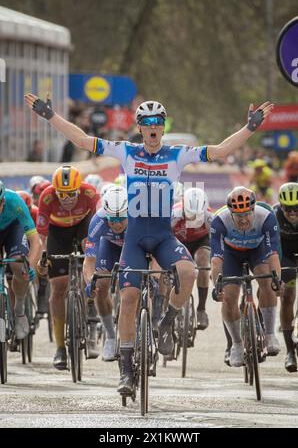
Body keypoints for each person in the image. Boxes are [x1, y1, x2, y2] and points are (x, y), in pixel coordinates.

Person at [25, 93, 273, 394]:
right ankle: (127, 371)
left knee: (189, 273)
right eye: (147, 122)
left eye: (158, 122)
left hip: (163, 236)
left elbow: (220, 151)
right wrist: (50, 116)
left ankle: (167, 321)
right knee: (128, 299)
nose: (153, 127)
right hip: (134, 237)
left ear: (163, 127)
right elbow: (82, 140)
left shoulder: (177, 154)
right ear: (139, 127)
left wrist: (250, 128)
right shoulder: (126, 151)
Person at [36, 165, 99, 370]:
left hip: (83, 226)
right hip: (58, 232)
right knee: (58, 288)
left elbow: (100, 225)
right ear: (54, 191)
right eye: (62, 194)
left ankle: (90, 310)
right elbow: (42, 236)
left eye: (71, 194)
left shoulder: (90, 193)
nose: (67, 199)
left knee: (88, 252)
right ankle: (61, 348)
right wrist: (44, 256)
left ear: (79, 189)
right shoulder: (46, 198)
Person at [210, 187, 281, 367]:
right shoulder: (219, 220)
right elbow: (216, 259)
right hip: (231, 253)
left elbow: (273, 253)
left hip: (258, 250)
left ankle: (270, 333)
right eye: (238, 216)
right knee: (229, 296)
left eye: (247, 215)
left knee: (267, 281)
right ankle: (236, 344)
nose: (243, 220)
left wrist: (277, 280)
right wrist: (217, 285)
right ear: (231, 213)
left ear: (253, 209)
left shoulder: (266, 217)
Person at [83, 185, 128, 361]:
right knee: (100, 287)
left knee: (135, 285)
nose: (116, 224)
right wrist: (89, 282)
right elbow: (89, 261)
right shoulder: (98, 220)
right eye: (112, 219)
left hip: (132, 248)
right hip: (109, 247)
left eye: (121, 219)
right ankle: (110, 335)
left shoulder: (138, 217)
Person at [0, 181, 41, 339]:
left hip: (13, 229)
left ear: (3, 201)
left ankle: (19, 311)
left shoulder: (15, 201)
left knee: (19, 265)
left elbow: (35, 240)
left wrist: (29, 265)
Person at [172, 187, 212, 329]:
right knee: (172, 269)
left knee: (203, 261)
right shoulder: (175, 212)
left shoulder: (208, 215)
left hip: (200, 241)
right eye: (189, 216)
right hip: (179, 241)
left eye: (197, 217)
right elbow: (164, 236)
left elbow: (218, 240)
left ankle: (201, 309)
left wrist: (215, 265)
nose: (194, 220)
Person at [274, 183, 298, 372]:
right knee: (288, 296)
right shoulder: (274, 216)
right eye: (288, 209)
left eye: (297, 208)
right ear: (281, 206)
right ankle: (290, 352)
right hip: (285, 254)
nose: (292, 213)